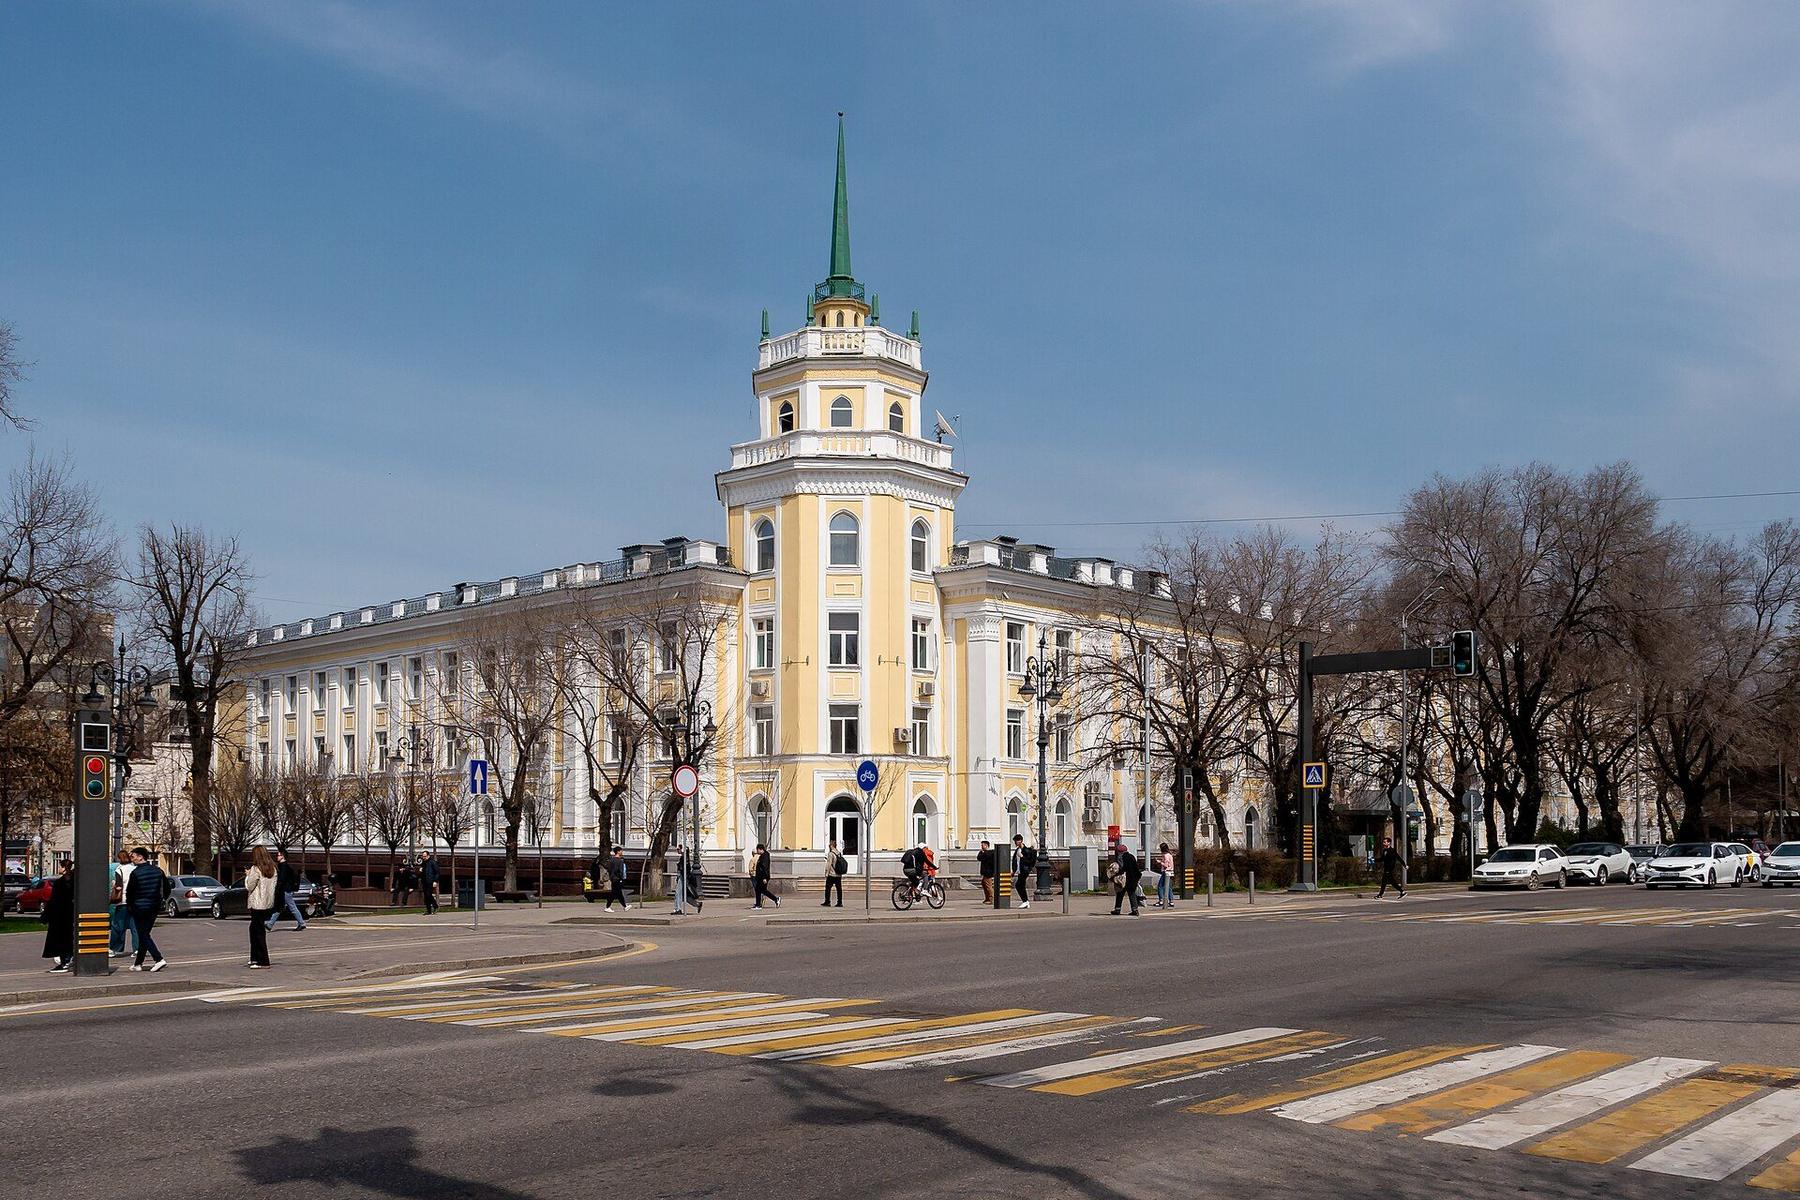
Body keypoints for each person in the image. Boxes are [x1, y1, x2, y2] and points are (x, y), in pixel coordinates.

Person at [123, 847, 168, 972]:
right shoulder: (158, 871)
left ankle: (158, 959)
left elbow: (130, 892)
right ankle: (138, 964)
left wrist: (130, 906)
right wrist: (160, 900)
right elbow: (167, 888)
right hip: (154, 907)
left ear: (140, 857)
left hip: (139, 907)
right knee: (145, 934)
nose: (132, 859)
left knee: (142, 934)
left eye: (133, 857)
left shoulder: (135, 873)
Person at [245, 846, 277, 969]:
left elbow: (249, 886)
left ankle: (263, 960)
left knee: (257, 931)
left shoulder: (255, 869)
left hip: (257, 903)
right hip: (267, 903)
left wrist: (248, 875)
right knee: (255, 929)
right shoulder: (272, 869)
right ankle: (254, 958)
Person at [41, 862, 75, 973]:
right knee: (69, 937)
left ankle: (64, 962)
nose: (59, 868)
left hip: (60, 916)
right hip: (71, 914)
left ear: (64, 868)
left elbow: (54, 900)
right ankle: (68, 959)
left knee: (61, 939)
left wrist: (46, 915)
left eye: (60, 866)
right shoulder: (75, 881)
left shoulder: (60, 883)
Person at [266, 850, 307, 932]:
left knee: (291, 907)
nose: (277, 857)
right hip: (286, 889)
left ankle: (302, 923)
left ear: (283, 856)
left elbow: (281, 879)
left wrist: (277, 888)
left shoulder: (283, 866)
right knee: (279, 907)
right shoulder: (284, 866)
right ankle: (270, 924)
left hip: (285, 890)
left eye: (278, 855)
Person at [108, 849, 138, 958]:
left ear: (120, 858)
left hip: (123, 901)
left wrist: (114, 885)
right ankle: (137, 949)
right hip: (135, 901)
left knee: (117, 925)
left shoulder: (119, 870)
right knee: (135, 926)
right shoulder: (135, 869)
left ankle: (114, 948)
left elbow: (119, 886)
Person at [1110, 843, 1143, 916]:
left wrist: (1115, 875)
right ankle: (1135, 910)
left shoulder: (1120, 857)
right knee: (1132, 894)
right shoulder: (1131, 856)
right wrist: (1138, 877)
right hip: (1133, 879)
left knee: (1120, 894)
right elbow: (1136, 868)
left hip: (1124, 879)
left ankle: (1117, 909)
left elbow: (1122, 868)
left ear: (1119, 851)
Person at [750, 843, 779, 909]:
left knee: (759, 890)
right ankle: (775, 899)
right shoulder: (764, 855)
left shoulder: (764, 856)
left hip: (763, 877)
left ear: (760, 849)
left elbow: (764, 867)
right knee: (762, 890)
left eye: (757, 850)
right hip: (761, 877)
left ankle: (759, 905)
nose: (757, 852)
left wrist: (764, 878)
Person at [1010, 834, 1035, 908]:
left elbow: (1030, 861)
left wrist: (1022, 857)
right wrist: (1014, 871)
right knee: (1020, 885)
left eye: (1016, 841)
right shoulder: (1017, 850)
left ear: (1020, 841)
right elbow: (1015, 861)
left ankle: (1025, 901)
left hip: (1024, 870)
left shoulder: (1026, 850)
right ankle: (1025, 901)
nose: (1015, 843)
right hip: (1019, 871)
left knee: (1019, 885)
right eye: (1014, 841)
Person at [604, 846, 632, 911]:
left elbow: (609, 869)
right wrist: (621, 878)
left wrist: (612, 876)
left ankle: (625, 906)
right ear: (618, 852)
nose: (622, 852)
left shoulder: (611, 860)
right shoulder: (620, 861)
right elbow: (620, 871)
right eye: (621, 851)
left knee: (618, 893)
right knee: (614, 893)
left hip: (613, 878)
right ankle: (607, 907)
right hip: (618, 879)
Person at [821, 840, 845, 908]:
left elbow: (828, 864)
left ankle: (827, 901)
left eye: (829, 845)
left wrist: (826, 873)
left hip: (832, 874)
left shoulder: (831, 854)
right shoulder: (839, 853)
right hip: (838, 874)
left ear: (831, 846)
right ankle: (839, 902)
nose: (829, 846)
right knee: (839, 889)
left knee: (828, 888)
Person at [670, 844, 690, 916]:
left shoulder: (684, 858)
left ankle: (678, 909)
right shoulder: (683, 857)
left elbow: (684, 868)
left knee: (678, 892)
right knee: (679, 893)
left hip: (682, 876)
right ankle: (677, 908)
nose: (677, 850)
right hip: (681, 875)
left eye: (678, 849)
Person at [1154, 842, 1175, 909]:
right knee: (1168, 887)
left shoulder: (1165, 855)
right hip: (1170, 871)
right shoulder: (1170, 855)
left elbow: (1166, 865)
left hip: (1165, 872)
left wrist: (1160, 862)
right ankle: (1171, 901)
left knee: (1160, 886)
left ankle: (1161, 900)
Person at [419, 851, 440, 915]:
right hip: (424, 881)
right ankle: (428, 910)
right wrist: (421, 871)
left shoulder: (432, 862)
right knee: (426, 896)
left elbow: (437, 872)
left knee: (428, 894)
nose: (424, 857)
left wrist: (435, 881)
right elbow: (423, 872)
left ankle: (435, 906)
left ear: (428, 856)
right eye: (423, 856)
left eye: (425, 856)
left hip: (430, 881)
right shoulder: (423, 863)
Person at [977, 839, 995, 904]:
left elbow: (981, 857)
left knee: (988, 886)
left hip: (988, 872)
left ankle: (991, 899)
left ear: (986, 845)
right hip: (985, 872)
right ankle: (987, 898)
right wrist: (981, 852)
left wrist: (982, 853)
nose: (981, 846)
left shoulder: (990, 853)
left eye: (983, 845)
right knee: (984, 884)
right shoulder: (983, 853)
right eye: (981, 845)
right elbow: (979, 858)